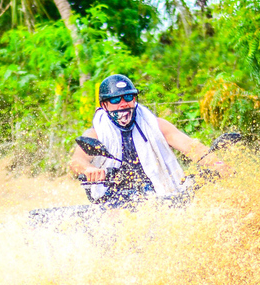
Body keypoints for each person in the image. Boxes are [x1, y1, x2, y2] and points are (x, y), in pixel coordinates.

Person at [69, 74, 231, 203]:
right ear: (104, 105)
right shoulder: (96, 133)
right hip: (114, 198)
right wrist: (88, 170)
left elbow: (192, 147)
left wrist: (218, 165)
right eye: (115, 99)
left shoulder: (156, 125)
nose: (123, 103)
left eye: (128, 97)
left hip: (158, 193)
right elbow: (76, 161)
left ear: (135, 99)